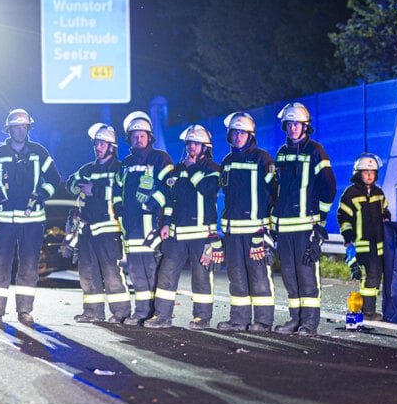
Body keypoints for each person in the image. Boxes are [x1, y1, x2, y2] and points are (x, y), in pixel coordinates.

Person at [0, 108, 61, 327]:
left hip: (33, 220)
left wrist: (41, 195)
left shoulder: (39, 152)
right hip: (5, 220)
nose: (20, 131)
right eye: (16, 127)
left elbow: (54, 179)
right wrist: (0, 197)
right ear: (9, 129)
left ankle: (25, 311)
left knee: (28, 266)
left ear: (28, 128)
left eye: (24, 127)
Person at [144, 124, 221, 330]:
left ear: (205, 147)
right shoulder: (176, 171)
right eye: (189, 144)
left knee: (201, 277)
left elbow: (207, 189)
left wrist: (192, 168)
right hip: (176, 234)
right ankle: (162, 316)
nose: (191, 147)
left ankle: (202, 318)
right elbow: (170, 201)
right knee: (166, 274)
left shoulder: (212, 169)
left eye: (195, 144)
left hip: (201, 232)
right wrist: (166, 223)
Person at [271, 102, 337, 336]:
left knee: (307, 274)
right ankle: (295, 319)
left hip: (306, 226)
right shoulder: (281, 153)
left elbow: (328, 188)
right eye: (289, 124)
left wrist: (319, 221)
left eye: (297, 124)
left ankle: (309, 323)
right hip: (285, 227)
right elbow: (276, 191)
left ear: (305, 126)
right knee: (289, 276)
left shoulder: (315, 151)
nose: (293, 129)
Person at [64, 123, 132, 324]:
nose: (98, 147)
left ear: (112, 147)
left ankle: (121, 312)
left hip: (109, 228)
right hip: (86, 230)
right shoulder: (88, 169)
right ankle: (92, 312)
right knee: (87, 273)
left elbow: (122, 192)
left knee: (111, 272)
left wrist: (96, 189)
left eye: (102, 144)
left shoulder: (119, 169)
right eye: (96, 144)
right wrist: (77, 187)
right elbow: (70, 183)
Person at [217, 112, 276, 332]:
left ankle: (263, 321)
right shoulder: (227, 162)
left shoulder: (263, 159)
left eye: (242, 133)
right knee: (237, 276)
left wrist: (266, 230)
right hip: (233, 232)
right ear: (229, 136)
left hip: (256, 230)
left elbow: (272, 193)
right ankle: (238, 320)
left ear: (250, 135)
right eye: (235, 133)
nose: (238, 136)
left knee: (259, 276)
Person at [115, 111, 175, 325]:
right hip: (131, 228)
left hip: (152, 226)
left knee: (154, 271)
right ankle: (141, 312)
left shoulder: (160, 159)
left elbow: (169, 190)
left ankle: (157, 313)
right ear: (129, 139)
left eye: (142, 135)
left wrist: (152, 204)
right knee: (136, 273)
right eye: (134, 136)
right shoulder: (126, 163)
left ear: (150, 137)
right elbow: (117, 190)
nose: (138, 139)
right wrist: (119, 209)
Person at [337, 152, 390, 321]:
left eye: (372, 172)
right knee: (370, 275)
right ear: (358, 174)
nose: (369, 175)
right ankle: (367, 311)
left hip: (379, 244)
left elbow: (385, 210)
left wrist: (386, 215)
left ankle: (369, 308)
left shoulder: (379, 193)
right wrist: (348, 238)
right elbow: (343, 217)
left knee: (377, 275)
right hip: (361, 243)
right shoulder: (350, 193)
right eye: (366, 172)